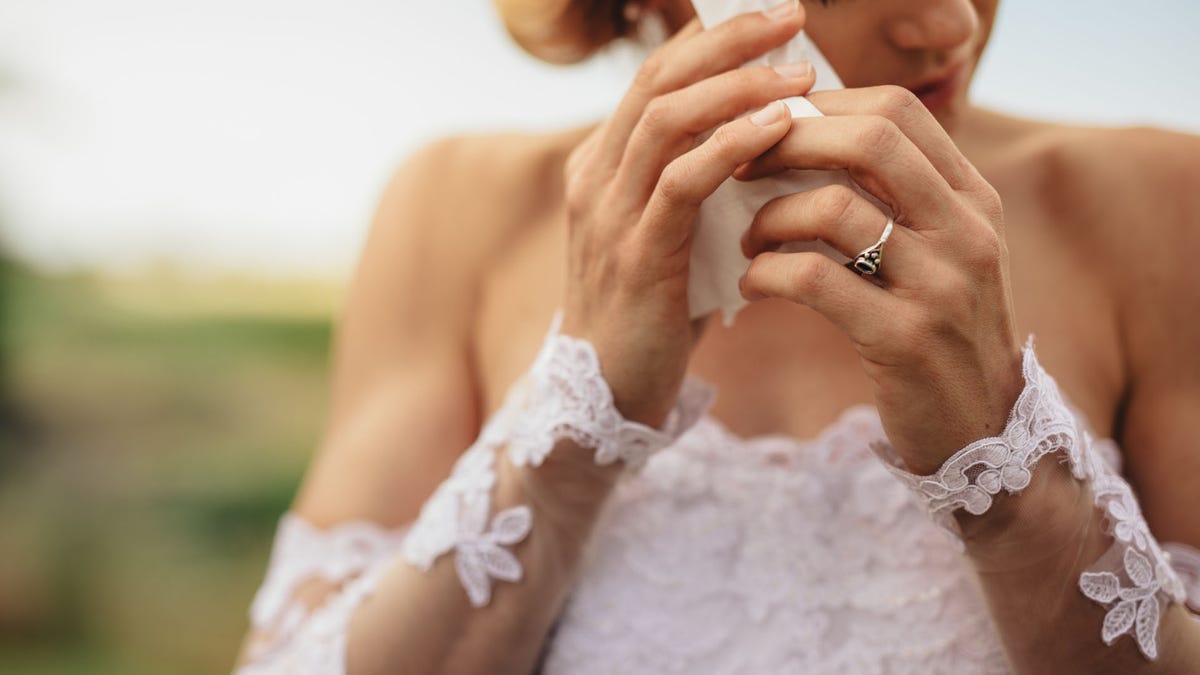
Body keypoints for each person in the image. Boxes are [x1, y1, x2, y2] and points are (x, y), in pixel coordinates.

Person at [234, 0, 1200, 672]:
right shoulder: (457, 208)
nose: (950, 24)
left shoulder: (1156, 205)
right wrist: (580, 418)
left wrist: (1006, 464)